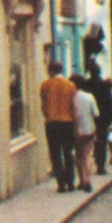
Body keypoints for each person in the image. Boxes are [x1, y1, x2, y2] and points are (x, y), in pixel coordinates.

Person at [40, 60, 78, 192]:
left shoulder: (45, 85)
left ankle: (61, 183)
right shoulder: (71, 85)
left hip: (52, 123)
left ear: (50, 71)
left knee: (55, 153)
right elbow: (73, 106)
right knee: (68, 152)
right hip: (67, 122)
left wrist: (48, 115)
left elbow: (44, 105)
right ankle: (71, 182)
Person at [86, 60, 112, 174]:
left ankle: (90, 162)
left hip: (89, 116)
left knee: (90, 141)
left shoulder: (86, 85)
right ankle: (100, 166)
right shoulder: (105, 85)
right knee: (102, 141)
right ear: (99, 72)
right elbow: (109, 101)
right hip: (103, 118)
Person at [70, 74, 97, 193]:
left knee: (78, 155)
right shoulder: (89, 96)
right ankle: (88, 180)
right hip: (88, 129)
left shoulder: (70, 98)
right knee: (87, 155)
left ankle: (80, 180)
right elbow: (95, 113)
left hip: (75, 129)